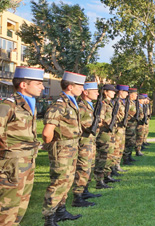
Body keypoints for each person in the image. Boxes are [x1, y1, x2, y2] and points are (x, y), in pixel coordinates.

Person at [0, 67, 44, 225]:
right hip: (12, 164)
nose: (42, 87)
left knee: (21, 206)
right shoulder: (8, 105)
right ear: (24, 85)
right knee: (8, 207)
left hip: (28, 161)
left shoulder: (29, 104)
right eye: (38, 83)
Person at [42, 71, 86, 225]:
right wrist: (55, 145)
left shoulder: (71, 102)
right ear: (70, 87)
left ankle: (61, 210)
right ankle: (49, 217)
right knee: (59, 181)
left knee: (67, 181)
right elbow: (47, 133)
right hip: (62, 148)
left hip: (71, 147)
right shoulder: (59, 104)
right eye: (80, 85)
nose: (82, 88)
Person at [70, 82, 101, 209]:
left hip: (90, 142)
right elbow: (85, 124)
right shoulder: (82, 106)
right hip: (84, 142)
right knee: (83, 168)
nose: (98, 93)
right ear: (86, 92)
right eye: (95, 91)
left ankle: (85, 191)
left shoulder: (89, 105)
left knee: (89, 167)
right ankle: (78, 196)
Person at [94, 84, 119, 190]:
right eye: (112, 91)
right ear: (105, 92)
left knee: (109, 156)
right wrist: (109, 123)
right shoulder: (103, 104)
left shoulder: (110, 104)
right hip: (104, 134)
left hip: (110, 133)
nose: (114, 93)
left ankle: (107, 175)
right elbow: (100, 120)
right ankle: (99, 180)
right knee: (102, 157)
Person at [123, 88, 139, 165]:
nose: (136, 95)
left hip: (133, 125)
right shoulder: (127, 103)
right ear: (131, 95)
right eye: (135, 94)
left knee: (132, 142)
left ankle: (129, 156)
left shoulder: (133, 103)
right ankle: (126, 158)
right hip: (129, 125)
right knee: (128, 142)